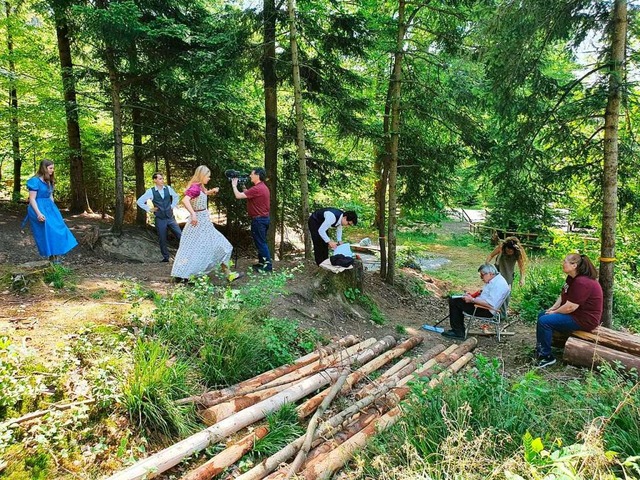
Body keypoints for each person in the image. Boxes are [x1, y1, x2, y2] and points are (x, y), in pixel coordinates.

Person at [171, 165, 240, 282]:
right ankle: (184, 275)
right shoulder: (195, 187)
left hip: (204, 223)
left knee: (218, 246)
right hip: (198, 223)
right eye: (208, 176)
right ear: (202, 175)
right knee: (202, 248)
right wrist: (193, 214)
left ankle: (228, 274)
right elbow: (185, 200)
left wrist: (210, 192)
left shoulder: (200, 187)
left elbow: (199, 196)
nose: (209, 178)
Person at [535, 253, 603, 368]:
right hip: (575, 314)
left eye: (565, 261)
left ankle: (546, 357)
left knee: (544, 321)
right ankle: (542, 348)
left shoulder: (582, 282)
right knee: (542, 314)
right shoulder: (572, 278)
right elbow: (563, 295)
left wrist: (555, 313)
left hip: (585, 319)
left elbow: (570, 307)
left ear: (574, 265)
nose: (562, 263)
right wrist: (553, 308)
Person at [23, 159, 78, 263]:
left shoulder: (49, 180)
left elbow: (50, 196)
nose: (53, 170)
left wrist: (54, 211)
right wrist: (39, 213)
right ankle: (52, 257)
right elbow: (32, 199)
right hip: (37, 208)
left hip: (49, 207)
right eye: (50, 168)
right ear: (44, 168)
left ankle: (56, 256)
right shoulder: (35, 181)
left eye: (53, 168)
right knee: (49, 230)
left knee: (60, 227)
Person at [441, 264, 510, 340]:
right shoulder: (495, 279)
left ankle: (458, 332)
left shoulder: (498, 284)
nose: (481, 278)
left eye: (482, 275)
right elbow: (485, 295)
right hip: (482, 305)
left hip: (486, 310)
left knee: (454, 301)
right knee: (456, 299)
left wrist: (472, 300)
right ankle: (458, 330)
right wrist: (472, 296)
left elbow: (489, 304)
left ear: (490, 273)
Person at [231, 167, 272, 272]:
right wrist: (243, 185)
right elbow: (248, 194)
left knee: (261, 243)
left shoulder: (257, 188)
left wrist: (234, 185)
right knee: (261, 242)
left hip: (259, 220)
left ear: (257, 175)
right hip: (263, 219)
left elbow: (239, 196)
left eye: (252, 174)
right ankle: (262, 264)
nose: (250, 176)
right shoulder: (261, 187)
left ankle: (267, 267)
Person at [136, 172, 182, 262]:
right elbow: (139, 201)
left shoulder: (168, 188)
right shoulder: (151, 191)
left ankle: (185, 254)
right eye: (160, 179)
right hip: (160, 219)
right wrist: (149, 209)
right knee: (162, 238)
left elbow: (176, 197)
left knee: (180, 235)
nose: (162, 180)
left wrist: (172, 206)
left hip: (170, 217)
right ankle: (166, 257)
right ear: (155, 180)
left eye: (162, 178)